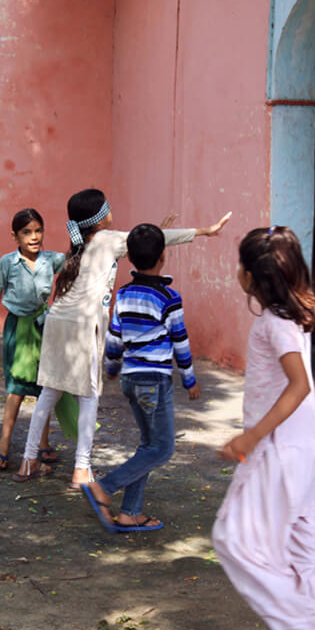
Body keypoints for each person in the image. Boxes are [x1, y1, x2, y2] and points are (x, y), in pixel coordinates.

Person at [12, 188, 230, 488]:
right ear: (101, 218)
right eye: (107, 207)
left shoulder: (80, 245)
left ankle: (27, 460)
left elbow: (145, 241)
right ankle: (81, 469)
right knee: (88, 398)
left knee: (48, 394)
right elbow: (149, 243)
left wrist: (160, 229)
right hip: (82, 327)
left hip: (57, 322)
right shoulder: (108, 238)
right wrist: (204, 231)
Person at [211, 226, 315, 630]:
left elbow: (298, 385)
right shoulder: (296, 318)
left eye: (241, 265)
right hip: (302, 452)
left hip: (278, 454)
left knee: (233, 539)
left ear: (251, 278)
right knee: (304, 543)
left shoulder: (273, 324)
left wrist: (250, 437)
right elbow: (307, 385)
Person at [80, 223, 201, 533]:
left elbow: (115, 334)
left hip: (131, 379)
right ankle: (104, 487)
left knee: (148, 445)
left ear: (130, 258)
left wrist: (111, 366)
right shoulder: (169, 298)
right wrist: (189, 378)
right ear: (163, 256)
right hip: (155, 380)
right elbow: (180, 341)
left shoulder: (124, 293)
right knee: (162, 449)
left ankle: (129, 513)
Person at [0, 208, 78, 471]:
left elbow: (75, 257)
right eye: (27, 232)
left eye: (38, 230)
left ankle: (43, 444)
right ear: (15, 236)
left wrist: (79, 234)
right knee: (15, 389)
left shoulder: (50, 260)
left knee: (44, 388)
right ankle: (3, 446)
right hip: (17, 329)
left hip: (43, 327)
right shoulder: (7, 263)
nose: (34, 237)